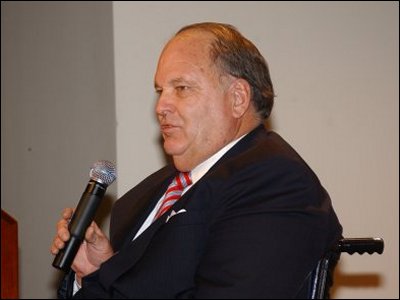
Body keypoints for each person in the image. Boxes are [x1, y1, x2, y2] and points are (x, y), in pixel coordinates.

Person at [51, 22, 342, 298]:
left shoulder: (275, 182)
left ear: (238, 98)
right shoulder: (141, 198)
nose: (161, 106)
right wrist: (97, 272)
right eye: (160, 91)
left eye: (182, 88)